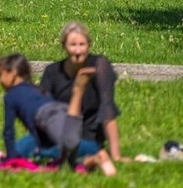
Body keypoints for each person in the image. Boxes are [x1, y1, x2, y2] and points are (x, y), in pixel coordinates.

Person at [13, 22, 123, 163]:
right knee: (19, 148)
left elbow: (107, 109)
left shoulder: (99, 66)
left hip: (86, 136)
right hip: (54, 134)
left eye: (82, 44)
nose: (78, 51)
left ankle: (65, 157)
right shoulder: (52, 72)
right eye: (73, 45)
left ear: (89, 45)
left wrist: (116, 154)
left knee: (59, 150)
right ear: (64, 46)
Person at [0, 52, 116, 175]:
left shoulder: (11, 96)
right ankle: (94, 160)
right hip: (63, 109)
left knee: (66, 144)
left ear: (13, 72)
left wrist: (11, 159)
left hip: (48, 116)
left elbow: (9, 131)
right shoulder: (34, 88)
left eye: (0, 75)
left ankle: (96, 152)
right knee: (68, 154)